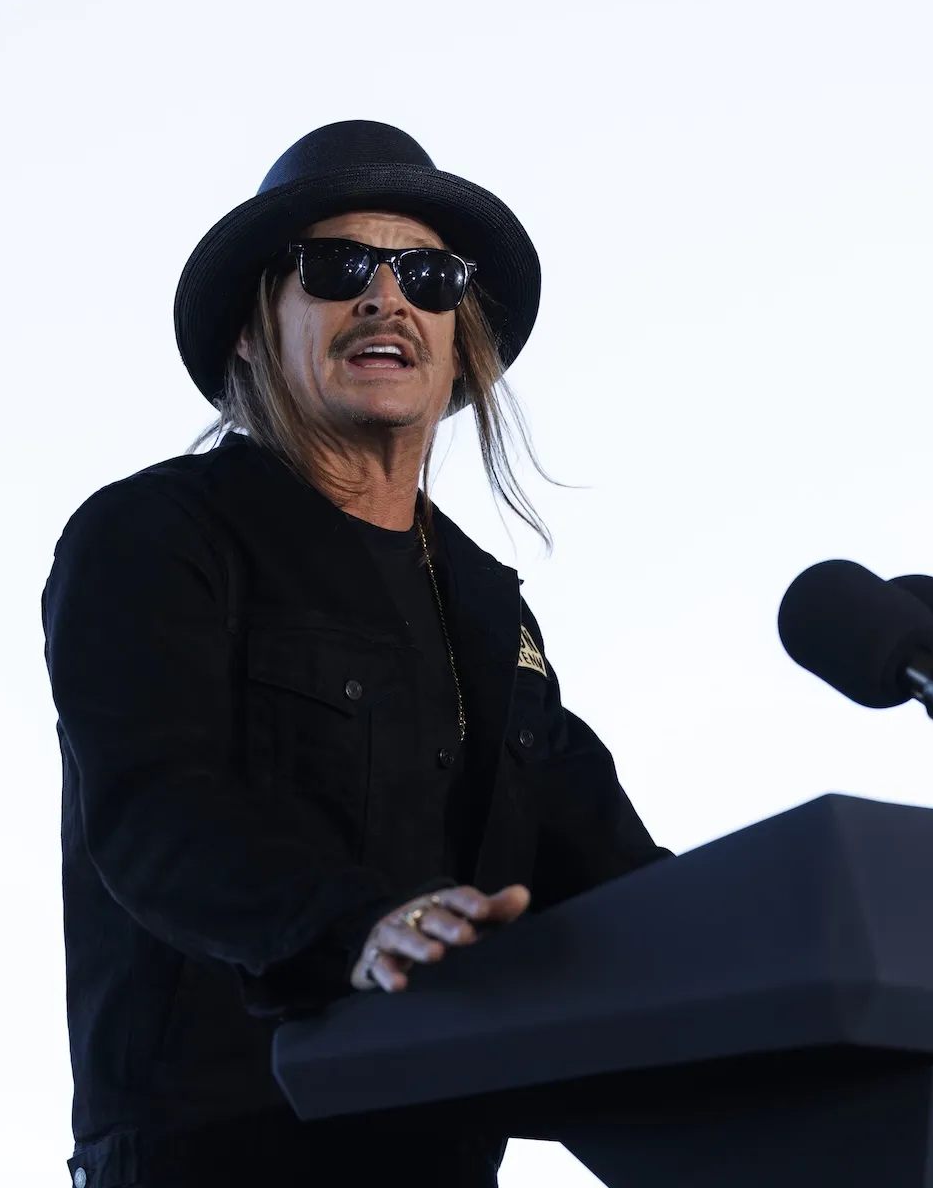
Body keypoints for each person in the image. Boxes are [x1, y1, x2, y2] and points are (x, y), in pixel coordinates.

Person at [42, 120, 671, 1188]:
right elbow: (155, 813)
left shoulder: (488, 605)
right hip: (219, 1153)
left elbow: (613, 878)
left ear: (457, 335)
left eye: (428, 276)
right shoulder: (155, 535)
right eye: (338, 269)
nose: (387, 300)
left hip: (439, 1152)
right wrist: (357, 926)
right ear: (253, 327)